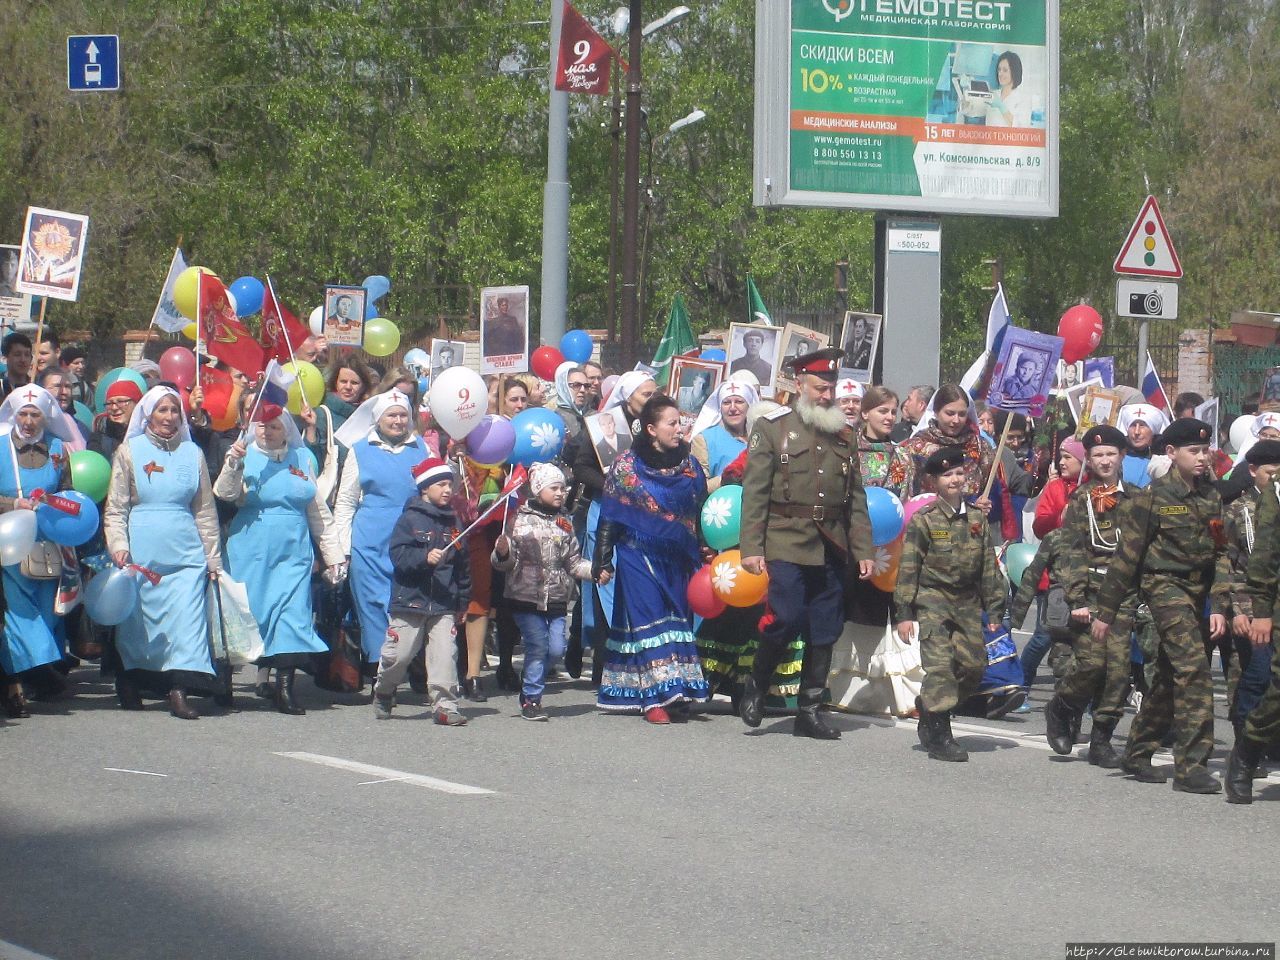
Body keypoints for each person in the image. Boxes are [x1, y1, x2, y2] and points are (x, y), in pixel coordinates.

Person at [739, 348, 875, 740]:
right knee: (785, 616)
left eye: (830, 388)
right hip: (785, 538)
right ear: (799, 385)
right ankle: (757, 683)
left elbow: (856, 500)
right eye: (819, 387)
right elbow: (755, 493)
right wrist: (752, 548)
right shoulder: (772, 428)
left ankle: (810, 710)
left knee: (825, 628)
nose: (826, 395)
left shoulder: (845, 436)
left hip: (831, 543)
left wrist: (863, 550)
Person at [1091, 418, 1228, 794]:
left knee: (1169, 677)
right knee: (1194, 670)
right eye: (1193, 451)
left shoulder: (1211, 495)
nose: (1202, 458)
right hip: (1164, 588)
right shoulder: (1151, 499)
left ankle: (1137, 751)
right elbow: (1126, 558)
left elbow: (1221, 553)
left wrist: (1219, 601)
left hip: (1198, 591)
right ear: (1171, 453)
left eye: (1205, 450)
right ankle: (1191, 766)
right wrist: (1106, 613)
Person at [214, 409, 344, 715]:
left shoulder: (301, 460)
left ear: (286, 430)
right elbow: (224, 493)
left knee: (293, 615)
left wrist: (333, 555)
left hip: (293, 553)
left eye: (274, 426)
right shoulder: (243, 455)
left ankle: (285, 688)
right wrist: (233, 463)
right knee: (245, 615)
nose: (267, 431)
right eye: (262, 425)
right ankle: (224, 685)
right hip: (251, 550)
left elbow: (317, 511)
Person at [103, 386, 222, 720]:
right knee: (140, 624)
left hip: (185, 553)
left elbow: (204, 510)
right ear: (148, 415)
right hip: (142, 552)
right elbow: (115, 508)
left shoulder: (192, 453)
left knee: (188, 620)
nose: (169, 417)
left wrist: (212, 558)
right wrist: (119, 545)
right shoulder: (129, 451)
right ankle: (131, 680)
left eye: (175, 411)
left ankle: (179, 690)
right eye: (162, 411)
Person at [594, 394, 709, 723]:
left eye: (680, 422)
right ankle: (655, 700)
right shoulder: (626, 467)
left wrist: (704, 547)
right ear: (651, 429)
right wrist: (603, 559)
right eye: (672, 423)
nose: (678, 429)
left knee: (676, 623)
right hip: (637, 554)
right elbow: (610, 517)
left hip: (678, 557)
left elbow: (700, 509)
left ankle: (677, 691)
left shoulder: (689, 466)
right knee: (649, 623)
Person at [893, 447, 1005, 761]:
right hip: (933, 601)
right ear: (933, 481)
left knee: (973, 668)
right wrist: (904, 611)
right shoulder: (925, 521)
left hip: (967, 603)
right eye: (947, 475)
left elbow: (988, 566)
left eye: (959, 473)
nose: (955, 479)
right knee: (940, 667)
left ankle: (930, 706)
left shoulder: (976, 519)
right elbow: (909, 567)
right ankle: (941, 735)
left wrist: (995, 606)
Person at [1040, 425, 1136, 767]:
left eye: (1111, 453)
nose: (1105, 461)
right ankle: (1061, 707)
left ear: (1122, 456)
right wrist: (1077, 599)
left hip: (1124, 596)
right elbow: (1072, 552)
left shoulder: (1138, 498)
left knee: (1119, 672)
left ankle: (1102, 740)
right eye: (1098, 455)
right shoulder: (1081, 500)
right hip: (1092, 595)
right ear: (1089, 461)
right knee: (1092, 666)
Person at [332, 390, 432, 671]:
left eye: (403, 415)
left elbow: (440, 490)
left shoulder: (422, 448)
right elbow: (346, 501)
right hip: (370, 542)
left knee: (408, 604)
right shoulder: (360, 450)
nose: (398, 421)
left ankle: (411, 663)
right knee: (374, 606)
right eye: (392, 415)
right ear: (379, 419)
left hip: (411, 541)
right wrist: (343, 546)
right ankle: (380, 670)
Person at [0, 386, 82, 718]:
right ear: (13, 416)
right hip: (9, 542)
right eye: (23, 414)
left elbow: (68, 491)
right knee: (20, 611)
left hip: (49, 543)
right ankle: (41, 671)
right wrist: (12, 504)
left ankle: (31, 672)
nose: (30, 421)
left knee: (48, 612)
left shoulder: (59, 450)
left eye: (36, 415)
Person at [493, 462, 596, 720]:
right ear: (538, 490)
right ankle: (531, 699)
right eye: (554, 488)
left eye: (563, 488)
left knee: (555, 650)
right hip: (525, 597)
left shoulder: (565, 522)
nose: (561, 493)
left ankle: (530, 684)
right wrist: (502, 552)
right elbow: (504, 563)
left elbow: (572, 561)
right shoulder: (519, 521)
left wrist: (595, 571)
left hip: (558, 598)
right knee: (538, 645)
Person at [374, 456, 469, 725]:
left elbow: (463, 567)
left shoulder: (455, 524)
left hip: (443, 603)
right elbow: (398, 556)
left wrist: (462, 601)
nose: (448, 490)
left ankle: (445, 705)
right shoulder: (409, 520)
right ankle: (384, 690)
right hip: (410, 601)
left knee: (444, 656)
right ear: (425, 488)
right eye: (441, 484)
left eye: (450, 484)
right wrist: (424, 557)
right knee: (399, 655)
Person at [1222, 441, 1280, 748]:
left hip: (1276, 605)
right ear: (1254, 470)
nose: (1275, 479)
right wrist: (1238, 610)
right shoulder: (1236, 510)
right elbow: (1226, 563)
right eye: (1270, 473)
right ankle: (1245, 741)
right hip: (1248, 606)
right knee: (1249, 674)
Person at [886, 384, 995, 507]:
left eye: (962, 414)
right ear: (936, 412)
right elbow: (906, 492)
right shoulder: (916, 447)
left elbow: (991, 488)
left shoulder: (980, 446)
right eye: (950, 413)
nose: (956, 420)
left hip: (971, 521)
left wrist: (982, 504)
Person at [688, 380, 758, 493]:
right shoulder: (704, 439)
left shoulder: (760, 437)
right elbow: (698, 488)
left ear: (749, 405)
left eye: (739, 401)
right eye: (726, 403)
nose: (733, 408)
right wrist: (730, 475)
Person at [1116, 402, 1169, 489]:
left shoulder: (1165, 460)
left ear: (1153, 429)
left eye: (1142, 425)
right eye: (1133, 425)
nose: (1136, 432)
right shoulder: (1117, 458)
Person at [89, 379, 142, 462]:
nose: (114, 408)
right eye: (109, 403)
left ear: (137, 403)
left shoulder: (149, 436)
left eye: (120, 401)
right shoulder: (99, 440)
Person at [35, 366, 89, 442]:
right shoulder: (32, 427)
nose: (64, 392)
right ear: (41, 390)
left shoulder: (81, 429)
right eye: (57, 386)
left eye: (67, 386)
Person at [983, 51, 1032, 127]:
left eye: (1005, 70)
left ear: (1014, 72)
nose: (1000, 74)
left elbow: (1022, 128)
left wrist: (1001, 107)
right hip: (991, 138)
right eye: (999, 70)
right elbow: (973, 110)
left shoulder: (1024, 99)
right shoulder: (993, 94)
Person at [0, 332, 34, 400]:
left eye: (27, 355)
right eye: (17, 354)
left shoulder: (38, 387)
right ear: (4, 358)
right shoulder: (1, 388)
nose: (23, 360)